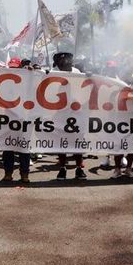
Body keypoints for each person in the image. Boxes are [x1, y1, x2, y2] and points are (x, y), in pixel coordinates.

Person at [51, 52, 87, 180]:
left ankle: (79, 168)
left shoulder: (77, 73)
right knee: (62, 142)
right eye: (61, 64)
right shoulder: (53, 73)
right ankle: (62, 168)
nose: (64, 65)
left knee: (77, 141)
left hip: (77, 114)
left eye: (66, 62)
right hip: (60, 114)